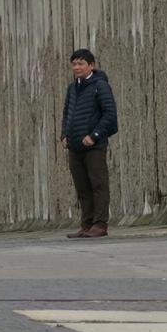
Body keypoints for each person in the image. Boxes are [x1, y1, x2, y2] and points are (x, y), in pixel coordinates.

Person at [61, 49, 118, 238]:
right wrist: (64, 135)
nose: (76, 67)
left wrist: (94, 135)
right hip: (74, 146)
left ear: (91, 65)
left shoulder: (99, 85)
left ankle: (100, 224)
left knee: (98, 184)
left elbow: (110, 115)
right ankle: (86, 225)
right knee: (82, 187)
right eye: (74, 64)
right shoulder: (72, 88)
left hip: (93, 146)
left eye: (81, 63)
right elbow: (67, 113)